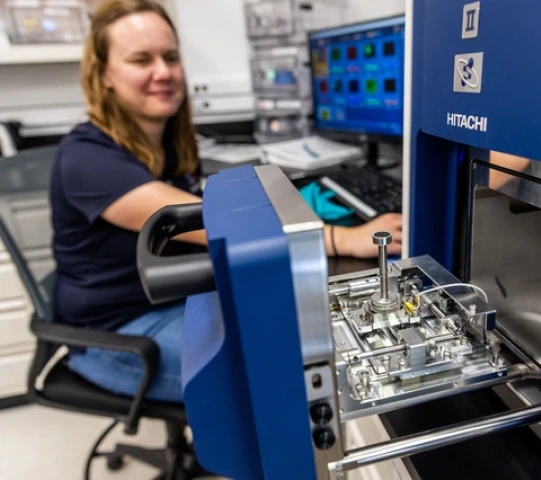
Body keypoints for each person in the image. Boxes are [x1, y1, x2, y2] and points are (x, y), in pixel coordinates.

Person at [50, 0, 403, 403]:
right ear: (105, 74)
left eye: (170, 57)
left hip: (179, 300)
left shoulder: (165, 143)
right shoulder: (87, 159)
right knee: (288, 370)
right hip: (121, 335)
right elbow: (214, 225)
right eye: (140, 60)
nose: (162, 72)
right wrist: (343, 240)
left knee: (299, 326)